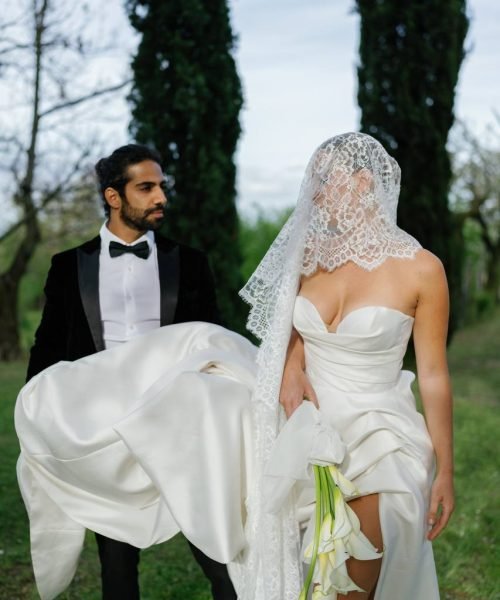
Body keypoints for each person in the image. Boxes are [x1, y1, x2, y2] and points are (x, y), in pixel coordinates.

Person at [16, 132, 454, 600]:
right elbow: (292, 338)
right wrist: (291, 366)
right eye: (315, 179)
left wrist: (445, 469)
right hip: (297, 430)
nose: (317, 191)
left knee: (343, 578)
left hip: (378, 435)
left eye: (327, 179)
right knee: (291, 576)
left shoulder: (422, 268)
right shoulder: (308, 259)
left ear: (365, 181)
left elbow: (432, 374)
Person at [25, 144, 237, 600]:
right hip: (107, 430)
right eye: (146, 187)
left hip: (181, 423)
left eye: (161, 186)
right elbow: (48, 346)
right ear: (114, 197)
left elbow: (213, 342)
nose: (160, 196)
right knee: (116, 563)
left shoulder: (191, 262)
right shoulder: (67, 267)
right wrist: (34, 413)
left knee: (220, 553)